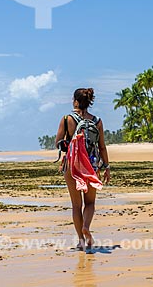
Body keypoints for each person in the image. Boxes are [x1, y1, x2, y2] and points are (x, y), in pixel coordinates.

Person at [55, 88, 111, 250]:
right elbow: (102, 147)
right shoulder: (97, 121)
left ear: (75, 101)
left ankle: (80, 239)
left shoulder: (67, 119)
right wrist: (106, 167)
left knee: (76, 205)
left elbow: (58, 142)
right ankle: (86, 226)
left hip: (72, 165)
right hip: (92, 166)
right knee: (90, 203)